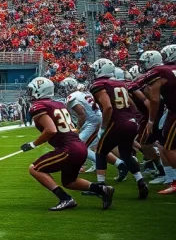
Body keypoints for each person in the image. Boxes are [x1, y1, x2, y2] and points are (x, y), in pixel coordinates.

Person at [20, 77, 114, 211]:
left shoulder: (39, 106)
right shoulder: (58, 104)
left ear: (40, 91)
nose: (29, 94)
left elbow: (51, 130)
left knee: (34, 169)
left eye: (31, 90)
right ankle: (102, 189)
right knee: (70, 182)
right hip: (79, 146)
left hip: (69, 148)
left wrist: (33, 144)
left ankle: (65, 199)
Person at [90, 58, 148, 199]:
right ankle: (141, 181)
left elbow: (108, 107)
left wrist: (103, 127)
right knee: (126, 154)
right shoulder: (119, 83)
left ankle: (101, 187)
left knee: (100, 152)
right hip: (130, 121)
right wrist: (135, 118)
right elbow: (130, 103)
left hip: (117, 122)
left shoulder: (99, 84)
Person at [141, 49, 176, 194]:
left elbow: (154, 100)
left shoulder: (159, 72)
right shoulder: (171, 69)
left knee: (168, 147)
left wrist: (150, 120)